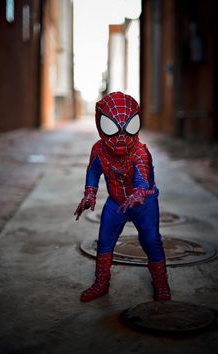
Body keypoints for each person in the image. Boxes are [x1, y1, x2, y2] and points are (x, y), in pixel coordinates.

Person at [74, 91, 171, 303]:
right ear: (101, 124)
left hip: (144, 205)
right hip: (116, 202)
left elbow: (142, 178)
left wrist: (139, 193)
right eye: (112, 127)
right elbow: (93, 172)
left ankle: (161, 284)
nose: (121, 137)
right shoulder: (99, 150)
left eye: (129, 127)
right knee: (105, 242)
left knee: (152, 240)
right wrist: (90, 193)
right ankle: (101, 283)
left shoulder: (140, 152)